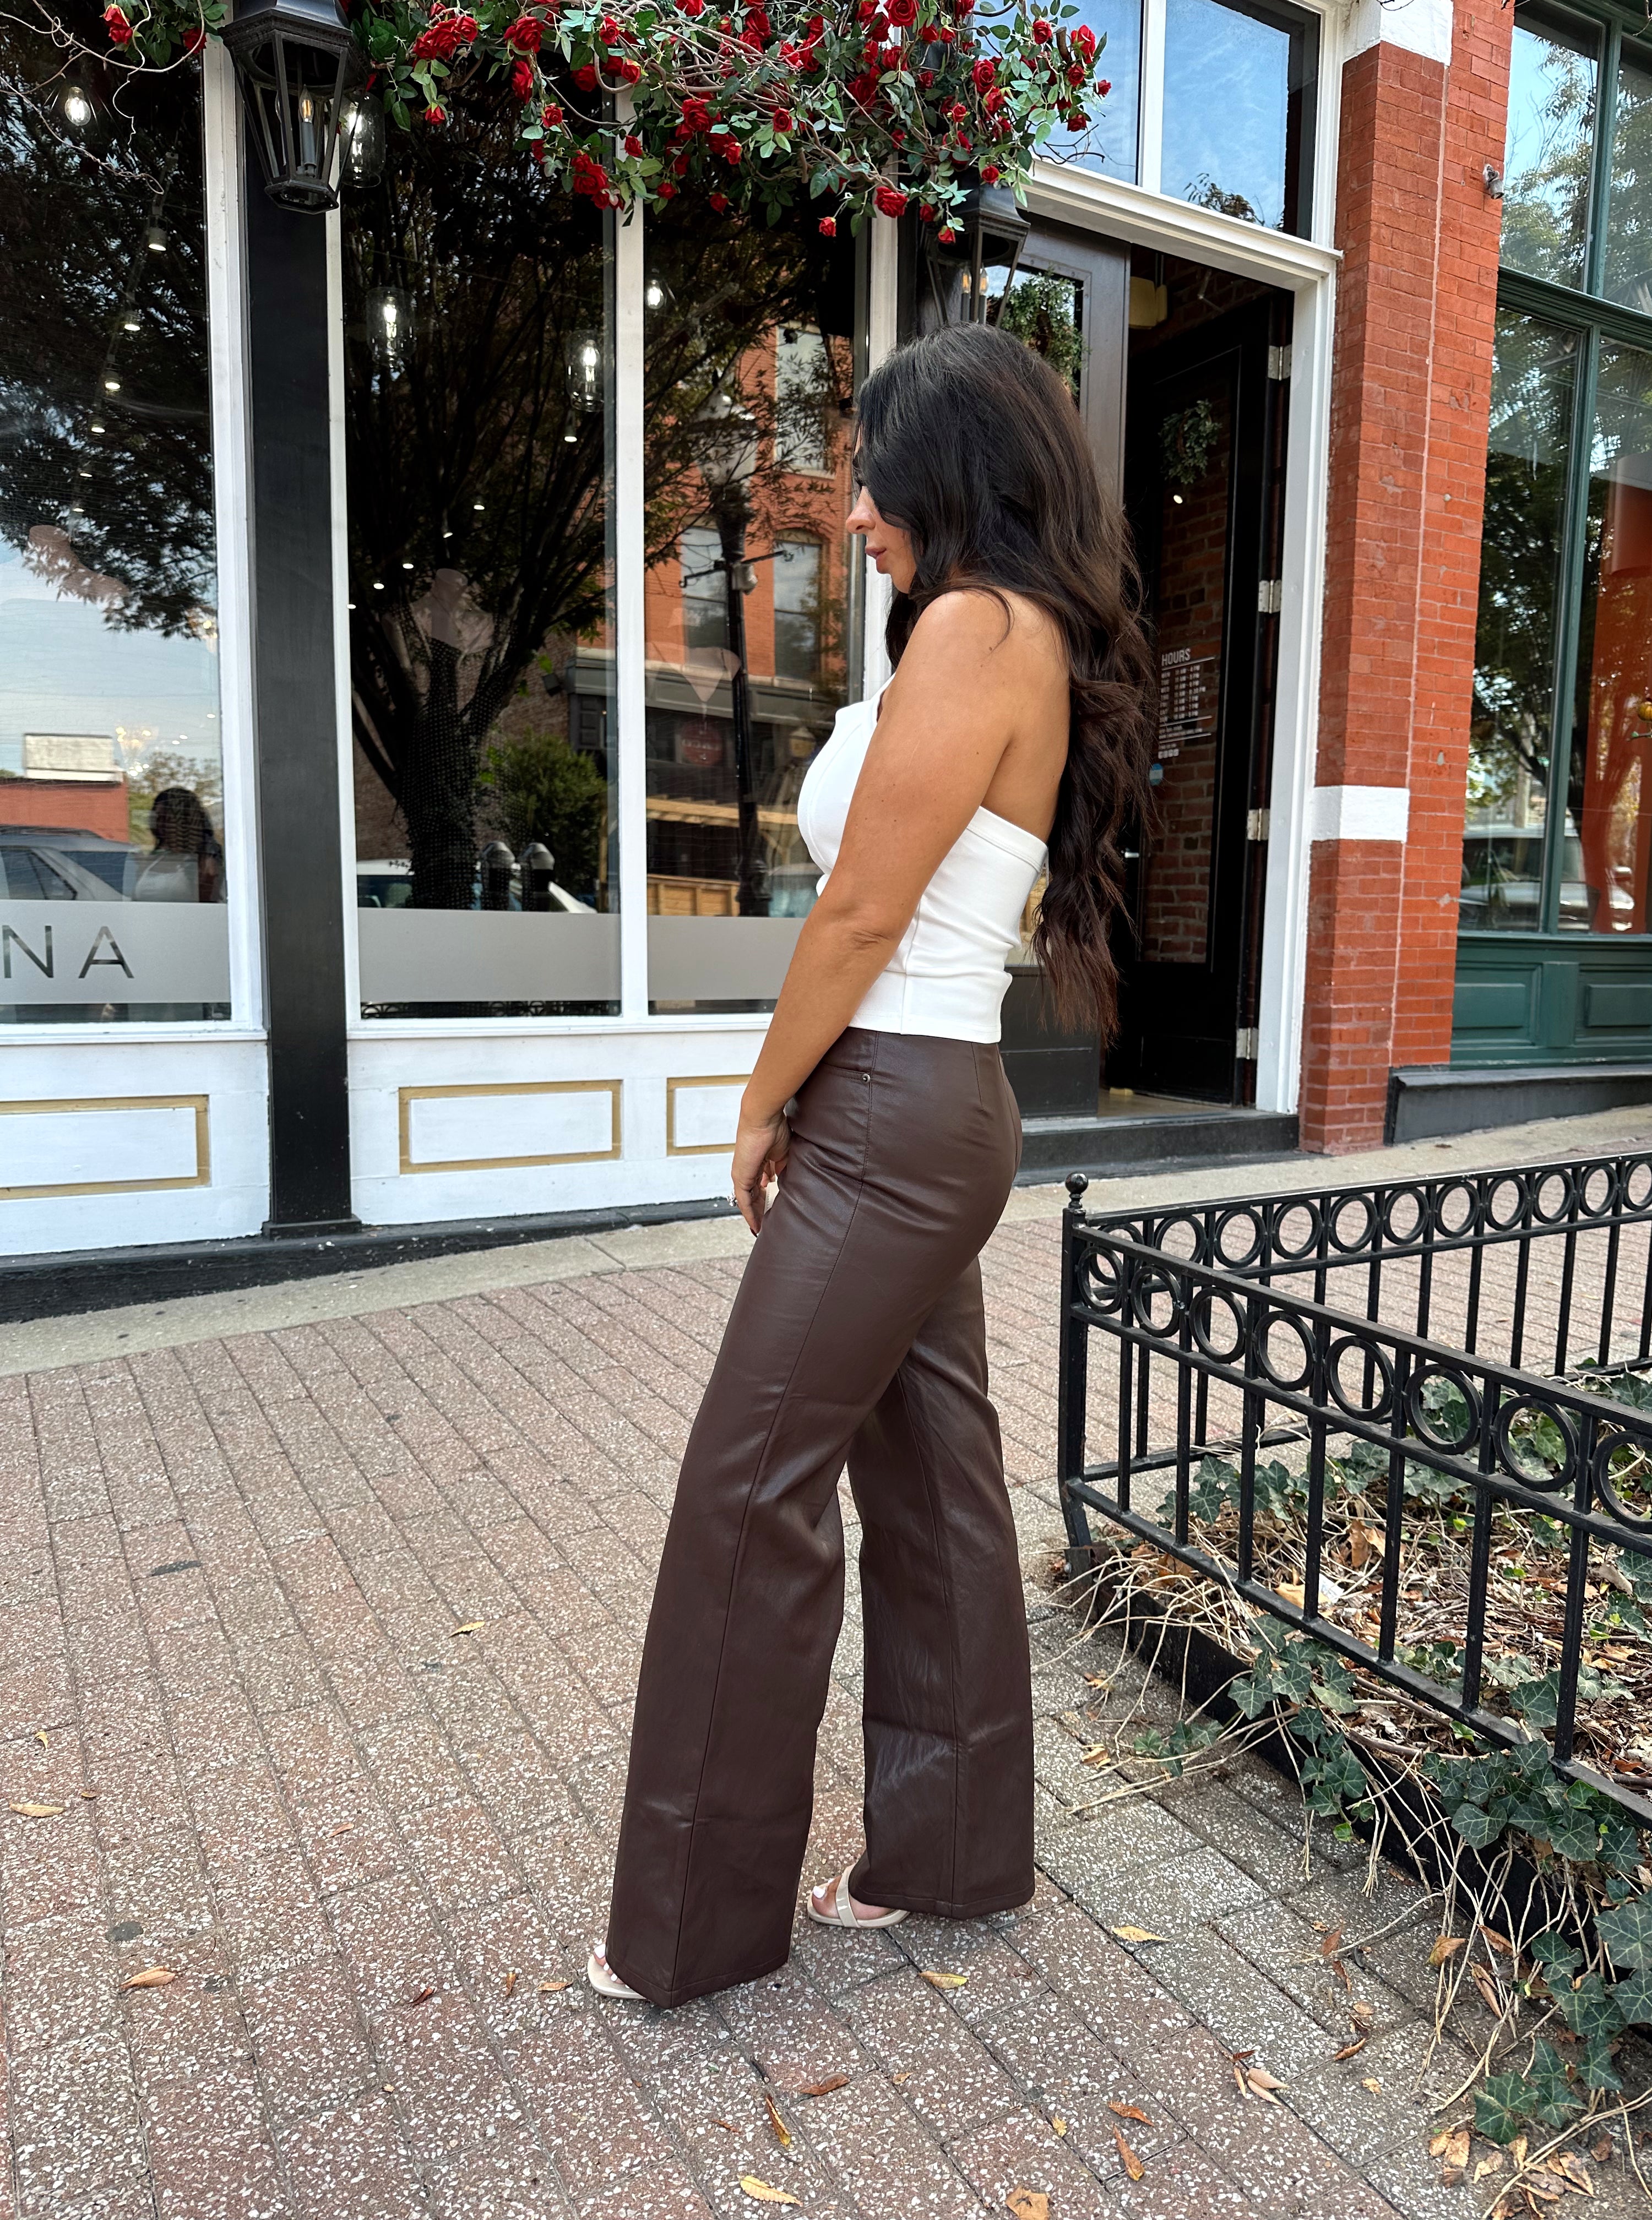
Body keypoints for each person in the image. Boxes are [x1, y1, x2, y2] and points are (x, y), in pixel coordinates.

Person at [591, 320, 1151, 2008]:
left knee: (746, 1487)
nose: (850, 512)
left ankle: (690, 1932)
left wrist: (762, 1104)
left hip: (889, 1109)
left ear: (949, 476)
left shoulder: (979, 629)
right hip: (933, 1103)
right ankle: (956, 1854)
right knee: (930, 1481)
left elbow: (858, 911)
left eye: (870, 476)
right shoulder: (1001, 630)